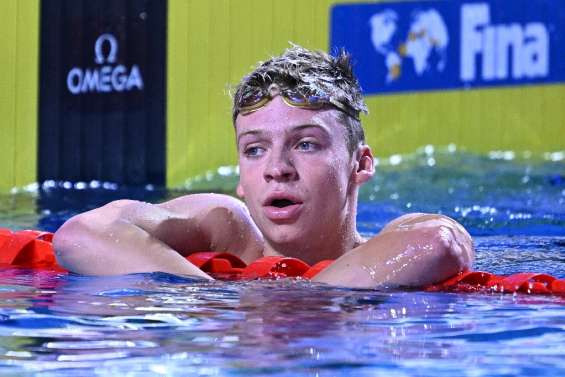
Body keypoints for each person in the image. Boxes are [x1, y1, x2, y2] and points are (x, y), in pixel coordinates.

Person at [53, 45, 474, 288]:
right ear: (240, 175)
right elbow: (80, 235)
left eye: (305, 144)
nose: (277, 168)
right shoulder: (228, 229)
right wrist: (210, 298)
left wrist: (294, 298)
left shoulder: (389, 241)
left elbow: (440, 243)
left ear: (359, 164)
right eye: (255, 150)